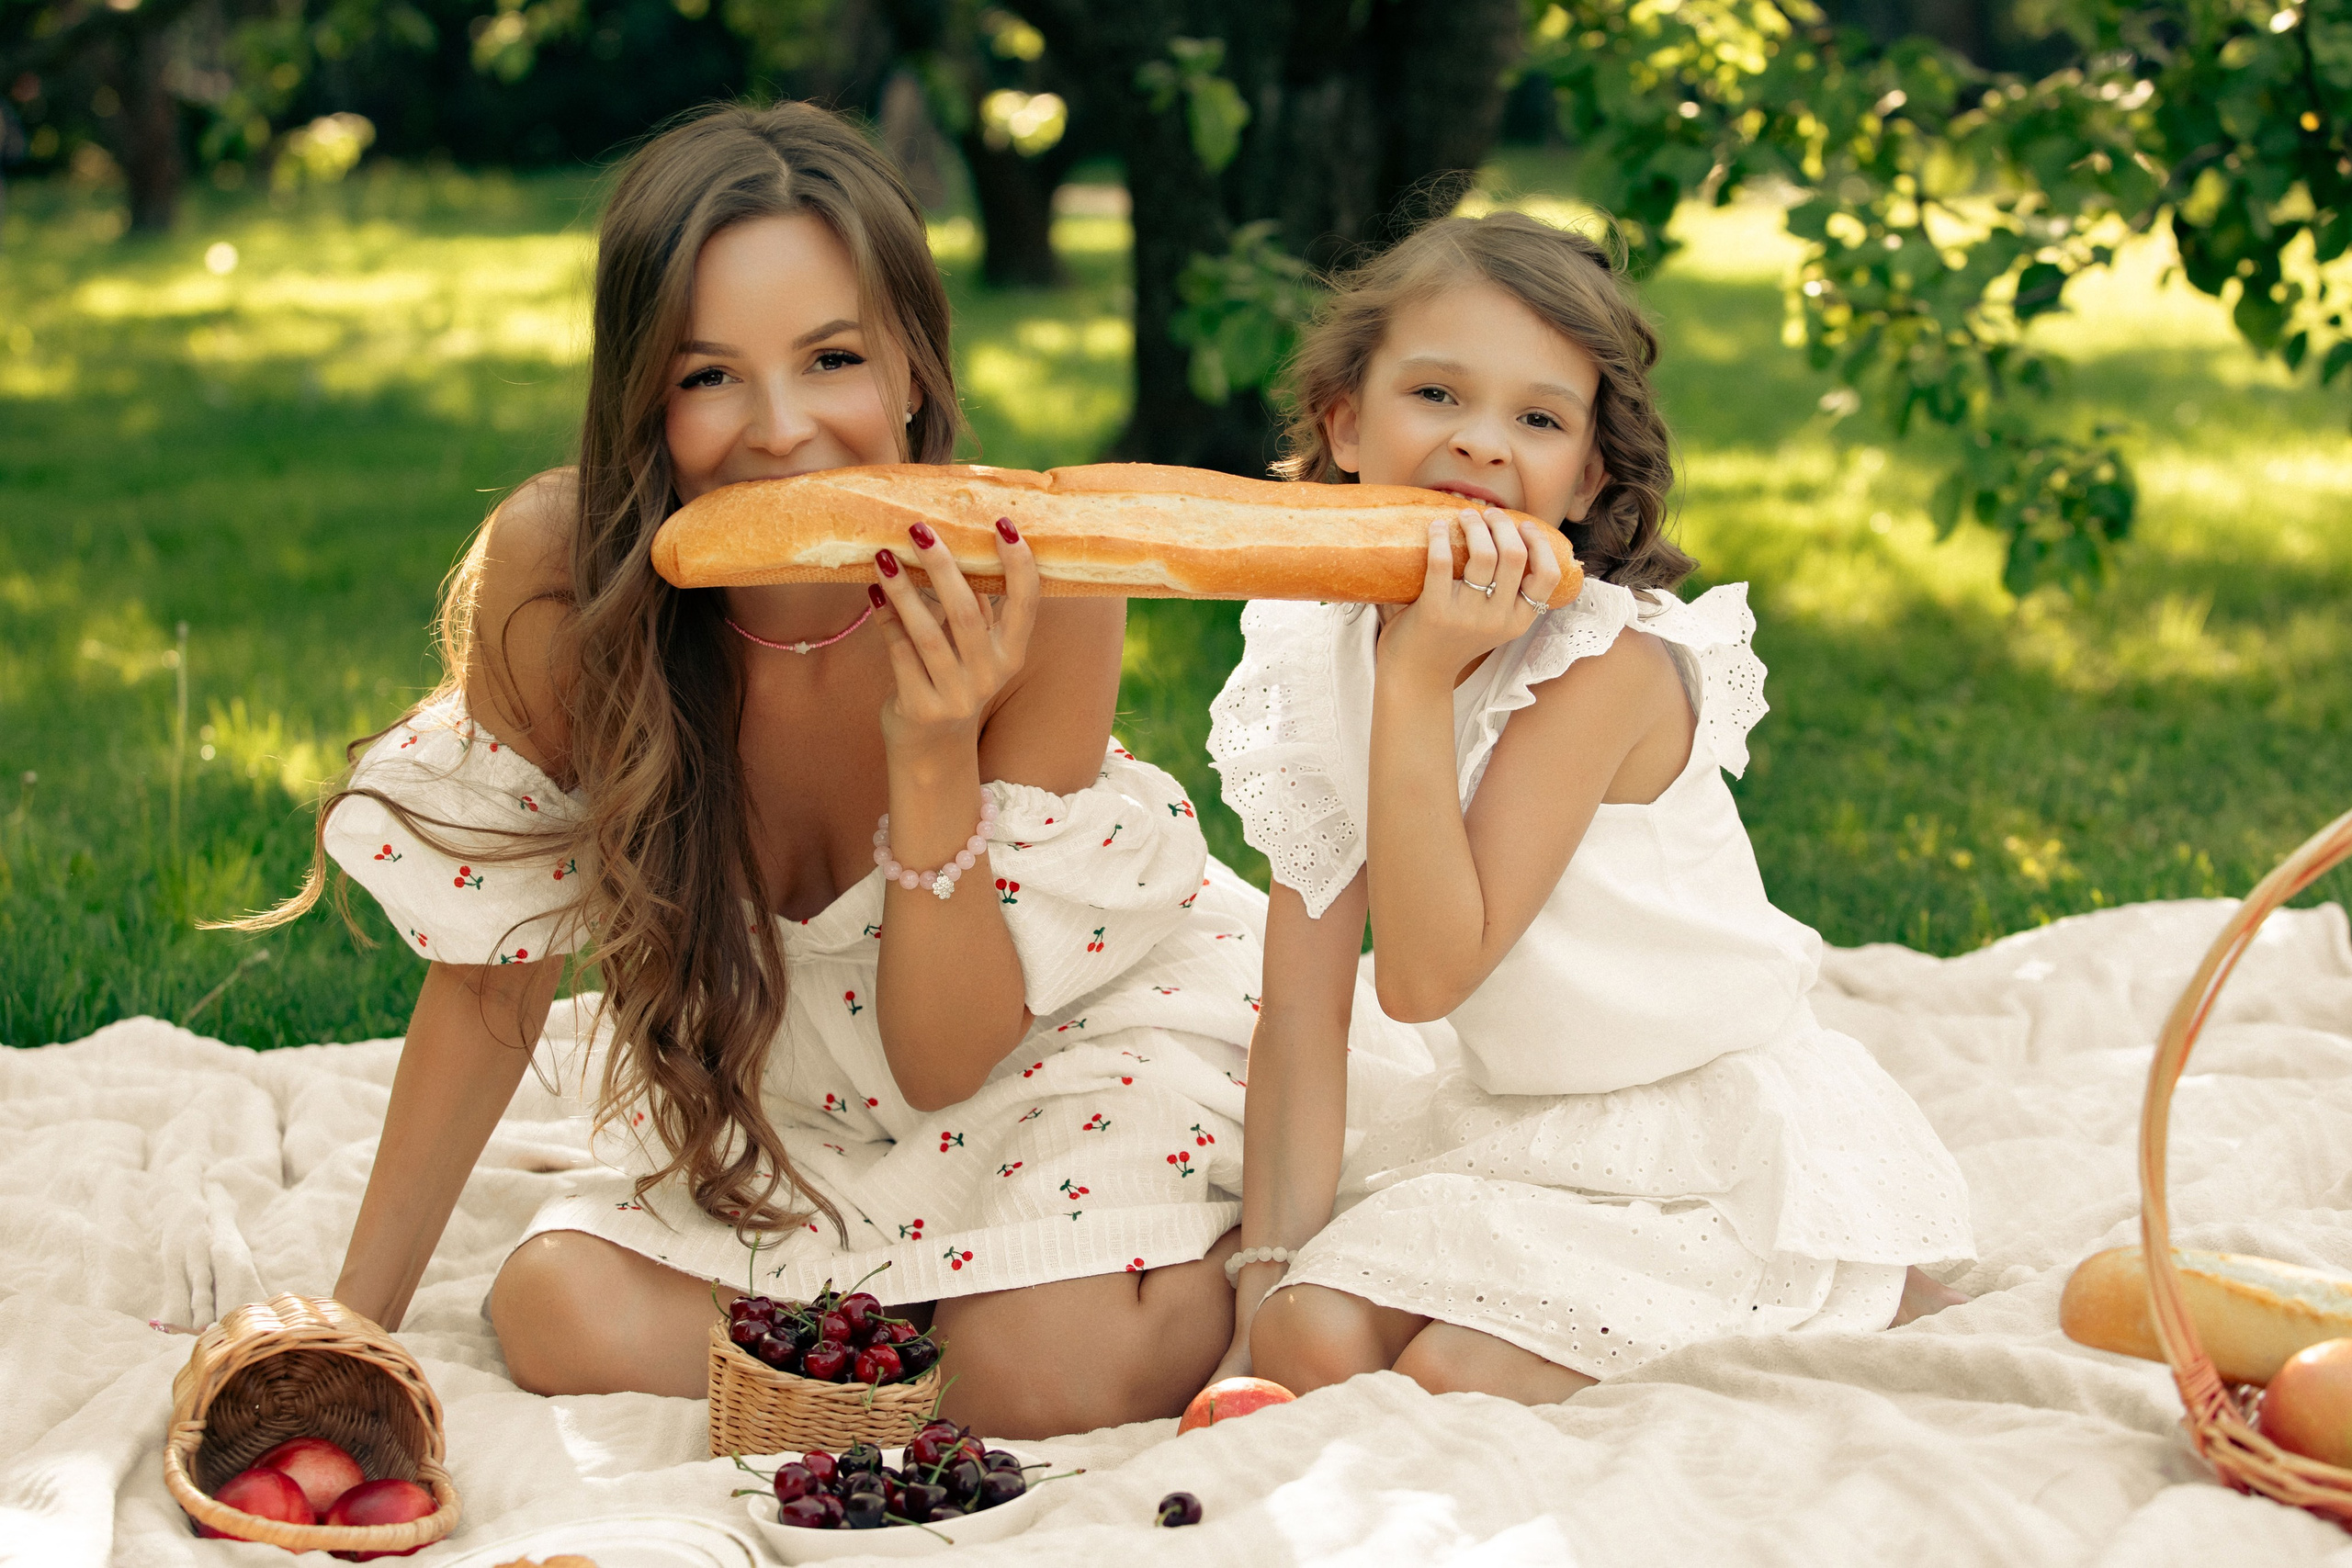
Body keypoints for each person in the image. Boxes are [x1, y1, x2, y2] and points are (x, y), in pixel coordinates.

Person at [250, 102, 1266, 1437]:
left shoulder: (1037, 577)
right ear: (642, 399)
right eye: (709, 376)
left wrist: (932, 755)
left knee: (1048, 1373)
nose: (781, 430)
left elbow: (949, 1058)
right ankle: (915, 1335)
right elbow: (492, 980)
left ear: (914, 369)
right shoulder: (561, 574)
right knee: (557, 1312)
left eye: (832, 359)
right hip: (795, 1089)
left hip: (1043, 1044)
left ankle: (1078, 1291)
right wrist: (351, 1327)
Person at [1204, 210, 1974, 1404]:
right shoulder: (1314, 653)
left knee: (1454, 1372)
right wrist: (1260, 1297)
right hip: (1515, 1125)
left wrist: (1416, 683)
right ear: (1346, 423)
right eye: (1436, 394)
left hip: (1702, 1140)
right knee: (1306, 1339)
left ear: (1588, 477)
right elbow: (1304, 1014)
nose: (1481, 442)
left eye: (1540, 419)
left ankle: (1833, 1285)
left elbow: (1423, 978)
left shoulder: (1599, 670)